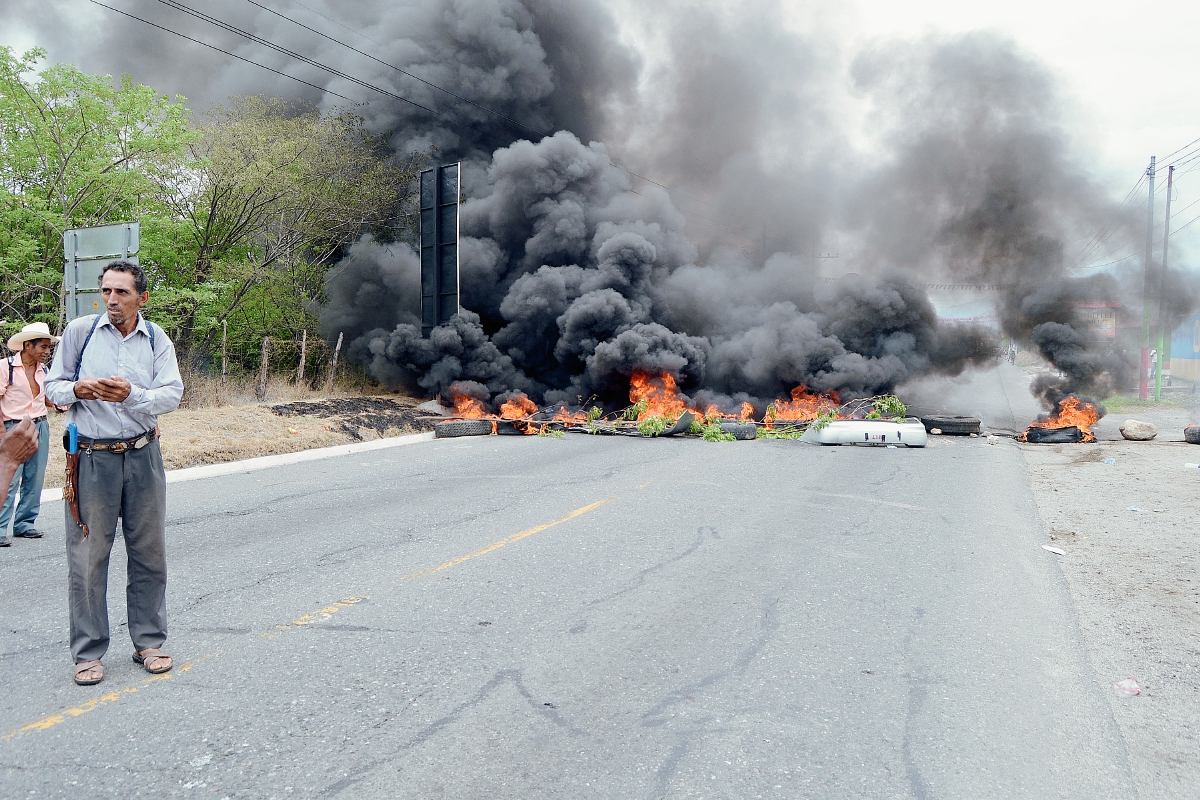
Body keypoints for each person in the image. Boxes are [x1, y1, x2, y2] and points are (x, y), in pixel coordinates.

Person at [45, 260, 184, 687]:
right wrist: (78, 389)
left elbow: (172, 394)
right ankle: (87, 653)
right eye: (106, 291)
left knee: (149, 553)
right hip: (91, 459)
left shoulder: (157, 338)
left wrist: (133, 395)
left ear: (142, 298)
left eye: (122, 292)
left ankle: (149, 642)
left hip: (143, 456)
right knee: (88, 558)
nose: (112, 300)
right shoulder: (79, 332)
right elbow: (53, 386)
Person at [0, 322, 64, 546]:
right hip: (13, 427)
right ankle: (0, 527)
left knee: (34, 477)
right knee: (8, 478)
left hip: (40, 425)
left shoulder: (44, 370)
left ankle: (25, 523)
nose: (47, 352)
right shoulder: (5, 368)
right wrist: (2, 435)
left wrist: (59, 404)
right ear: (28, 345)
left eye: (49, 347)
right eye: (43, 347)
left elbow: (45, 398)